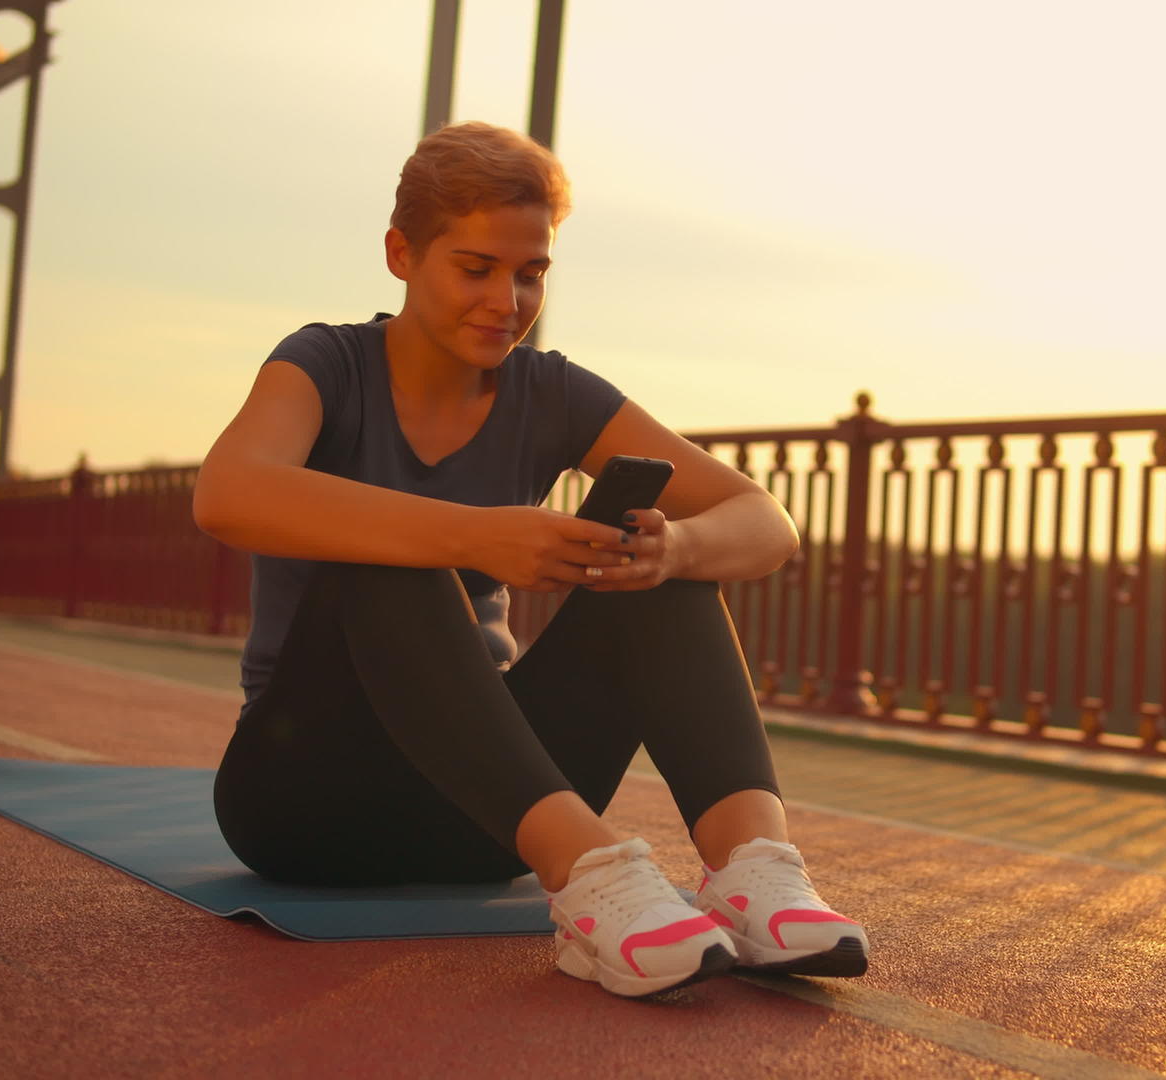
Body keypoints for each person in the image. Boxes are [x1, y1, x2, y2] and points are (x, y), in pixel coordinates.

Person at [193, 122, 868, 998]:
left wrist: (679, 546)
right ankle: (594, 881)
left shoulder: (549, 390)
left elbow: (766, 521)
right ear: (402, 253)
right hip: (306, 803)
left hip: (487, 810)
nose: (506, 300)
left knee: (653, 558)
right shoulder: (326, 365)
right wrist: (473, 535)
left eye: (531, 273)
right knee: (388, 557)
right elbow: (225, 493)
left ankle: (752, 874)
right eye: (475, 268)